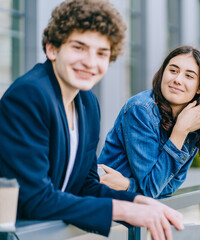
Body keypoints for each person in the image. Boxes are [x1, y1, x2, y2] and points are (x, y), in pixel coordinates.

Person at [0, 0, 183, 239]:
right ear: (52, 48)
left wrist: (140, 201)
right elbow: (35, 198)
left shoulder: (87, 103)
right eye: (79, 47)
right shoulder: (29, 95)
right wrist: (125, 210)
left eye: (101, 53)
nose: (90, 62)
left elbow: (84, 186)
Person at [98, 46, 200, 198]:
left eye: (189, 76)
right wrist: (179, 133)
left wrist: (128, 185)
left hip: (137, 211)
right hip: (106, 207)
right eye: (173, 71)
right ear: (163, 74)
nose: (178, 80)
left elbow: (170, 186)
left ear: (199, 87)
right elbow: (152, 189)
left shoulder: (191, 119)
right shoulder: (140, 110)